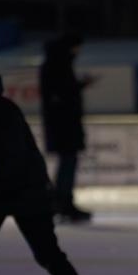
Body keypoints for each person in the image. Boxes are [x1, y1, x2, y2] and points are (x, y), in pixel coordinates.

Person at [0, 69, 101, 275]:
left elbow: (11, 162)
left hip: (27, 193)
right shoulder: (7, 110)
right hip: (15, 192)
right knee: (49, 253)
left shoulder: (5, 115)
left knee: (47, 252)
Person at [39, 33, 95, 223]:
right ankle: (63, 202)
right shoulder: (58, 66)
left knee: (67, 163)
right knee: (67, 163)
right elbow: (62, 95)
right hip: (65, 127)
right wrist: (78, 87)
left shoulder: (54, 65)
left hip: (63, 126)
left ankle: (61, 202)